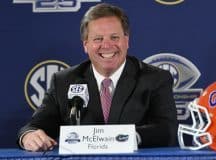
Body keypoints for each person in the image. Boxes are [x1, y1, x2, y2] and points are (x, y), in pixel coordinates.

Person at [17, 3, 178, 151]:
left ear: (126, 41)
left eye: (114, 37)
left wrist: (125, 139)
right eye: (98, 39)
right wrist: (29, 136)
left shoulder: (155, 78)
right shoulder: (64, 81)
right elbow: (35, 126)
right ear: (85, 45)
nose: (107, 45)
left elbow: (167, 130)